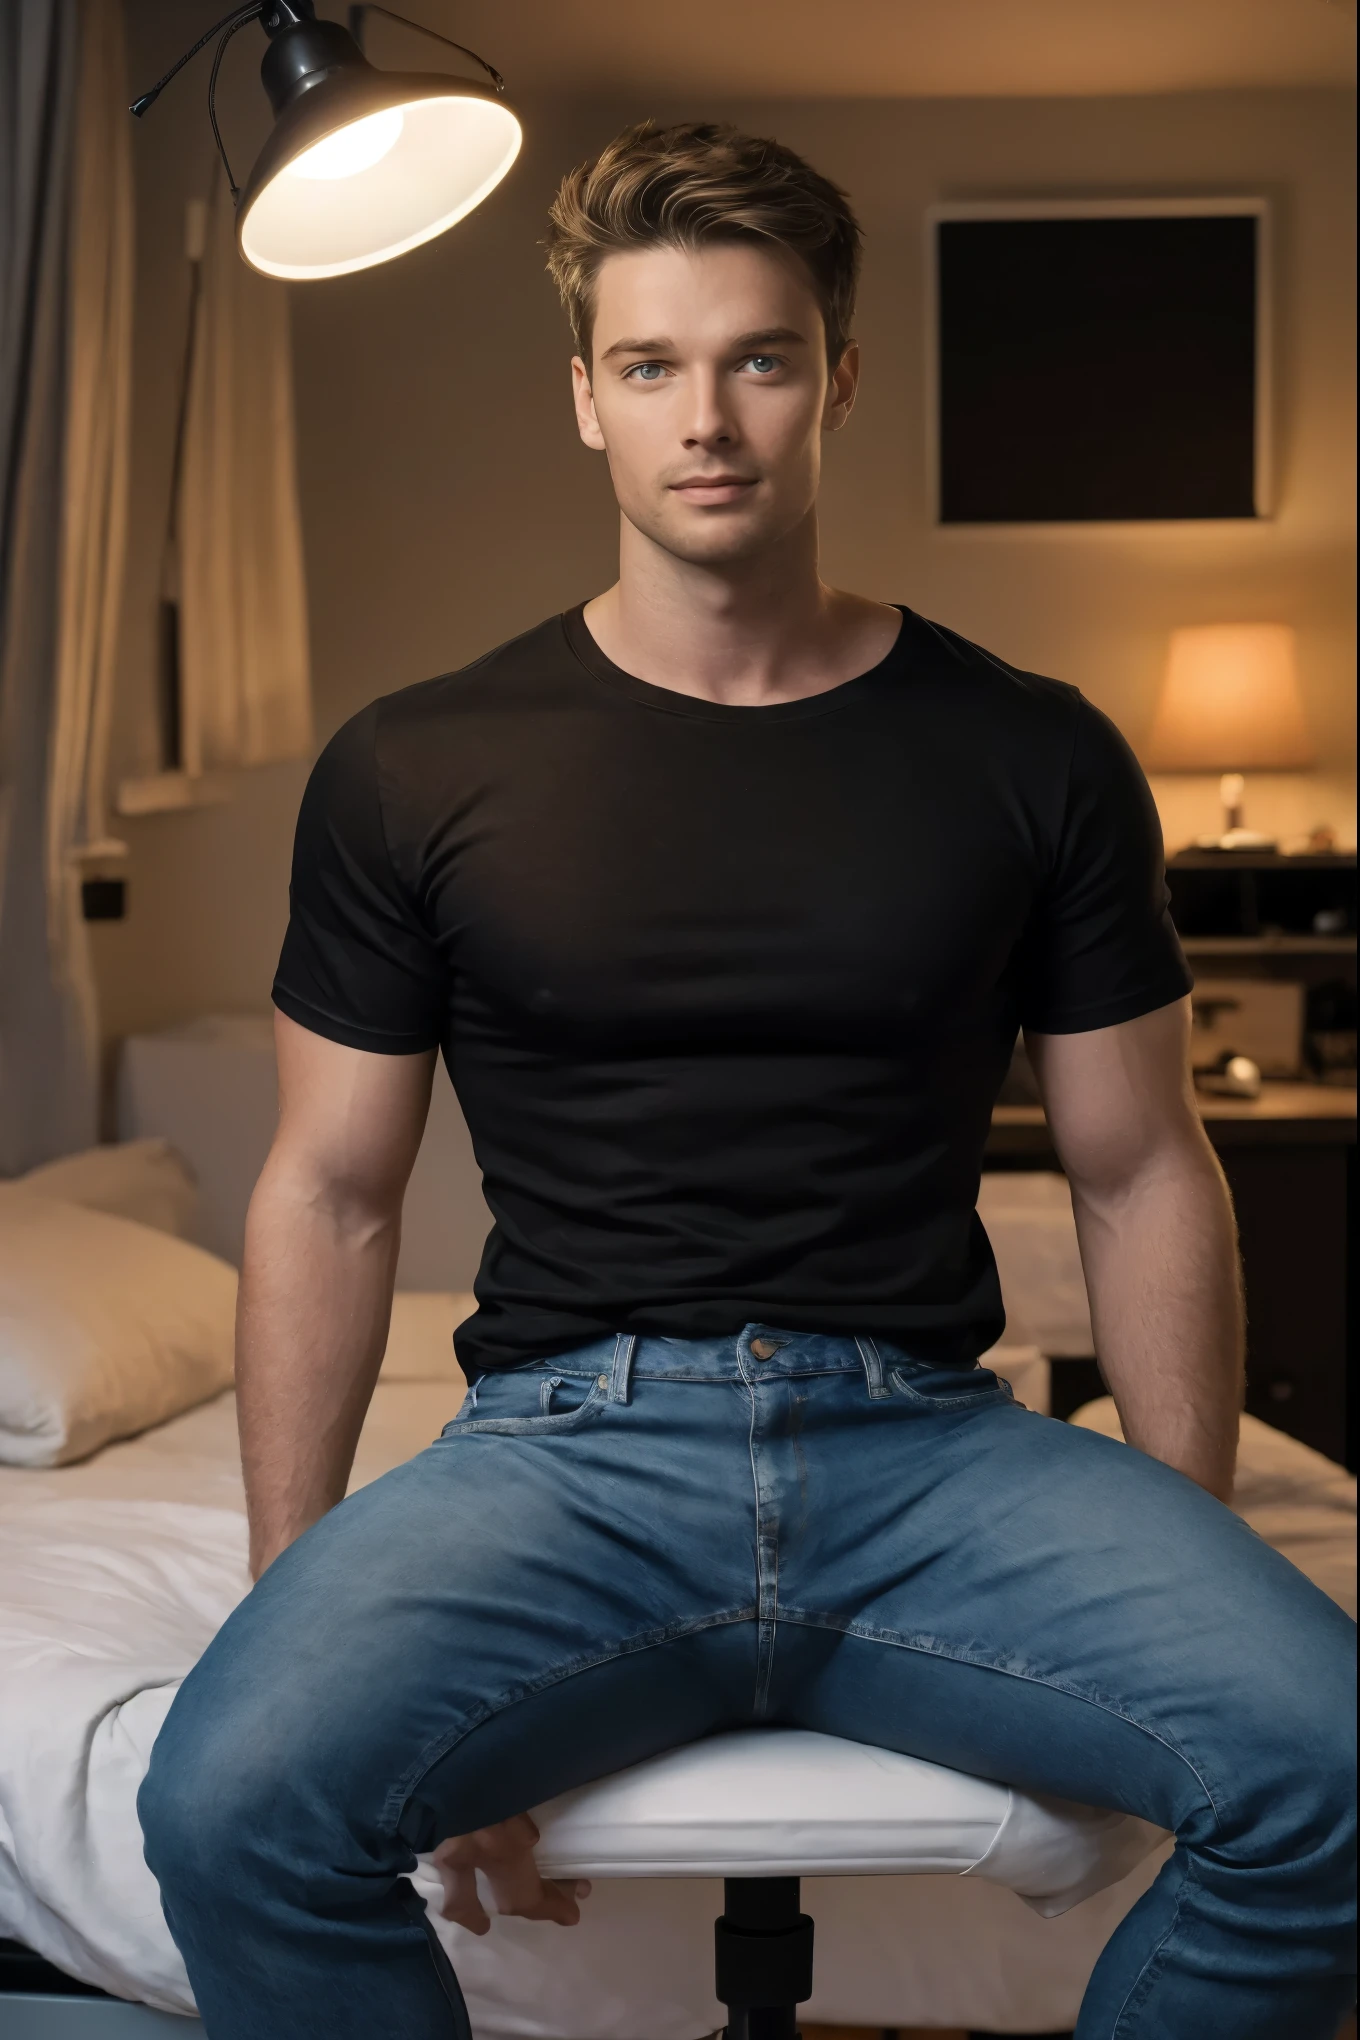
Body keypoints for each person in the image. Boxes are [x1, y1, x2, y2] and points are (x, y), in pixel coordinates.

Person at [139, 121, 1356, 2039]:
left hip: (930, 1447)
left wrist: (1181, 1538)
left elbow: (1140, 1173)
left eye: (760, 359)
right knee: (225, 1804)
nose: (707, 418)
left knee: (1334, 1773)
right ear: (585, 400)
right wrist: (305, 1600)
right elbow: (332, 1191)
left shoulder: (1031, 753)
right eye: (651, 366)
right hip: (568, 1449)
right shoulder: (416, 765)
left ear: (836, 379)